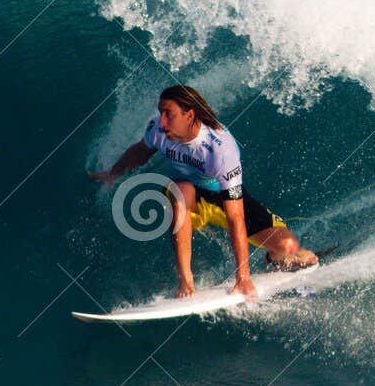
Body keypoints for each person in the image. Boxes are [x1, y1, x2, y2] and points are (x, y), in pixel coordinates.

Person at [89, 85, 317, 298]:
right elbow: (140, 152)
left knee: (287, 246)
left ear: (190, 115)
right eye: (160, 113)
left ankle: (278, 259)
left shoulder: (220, 151)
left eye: (169, 114)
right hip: (187, 198)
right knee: (182, 191)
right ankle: (186, 280)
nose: (162, 120)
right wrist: (112, 173)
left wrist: (243, 278)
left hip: (221, 198)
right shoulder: (159, 130)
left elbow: (235, 216)